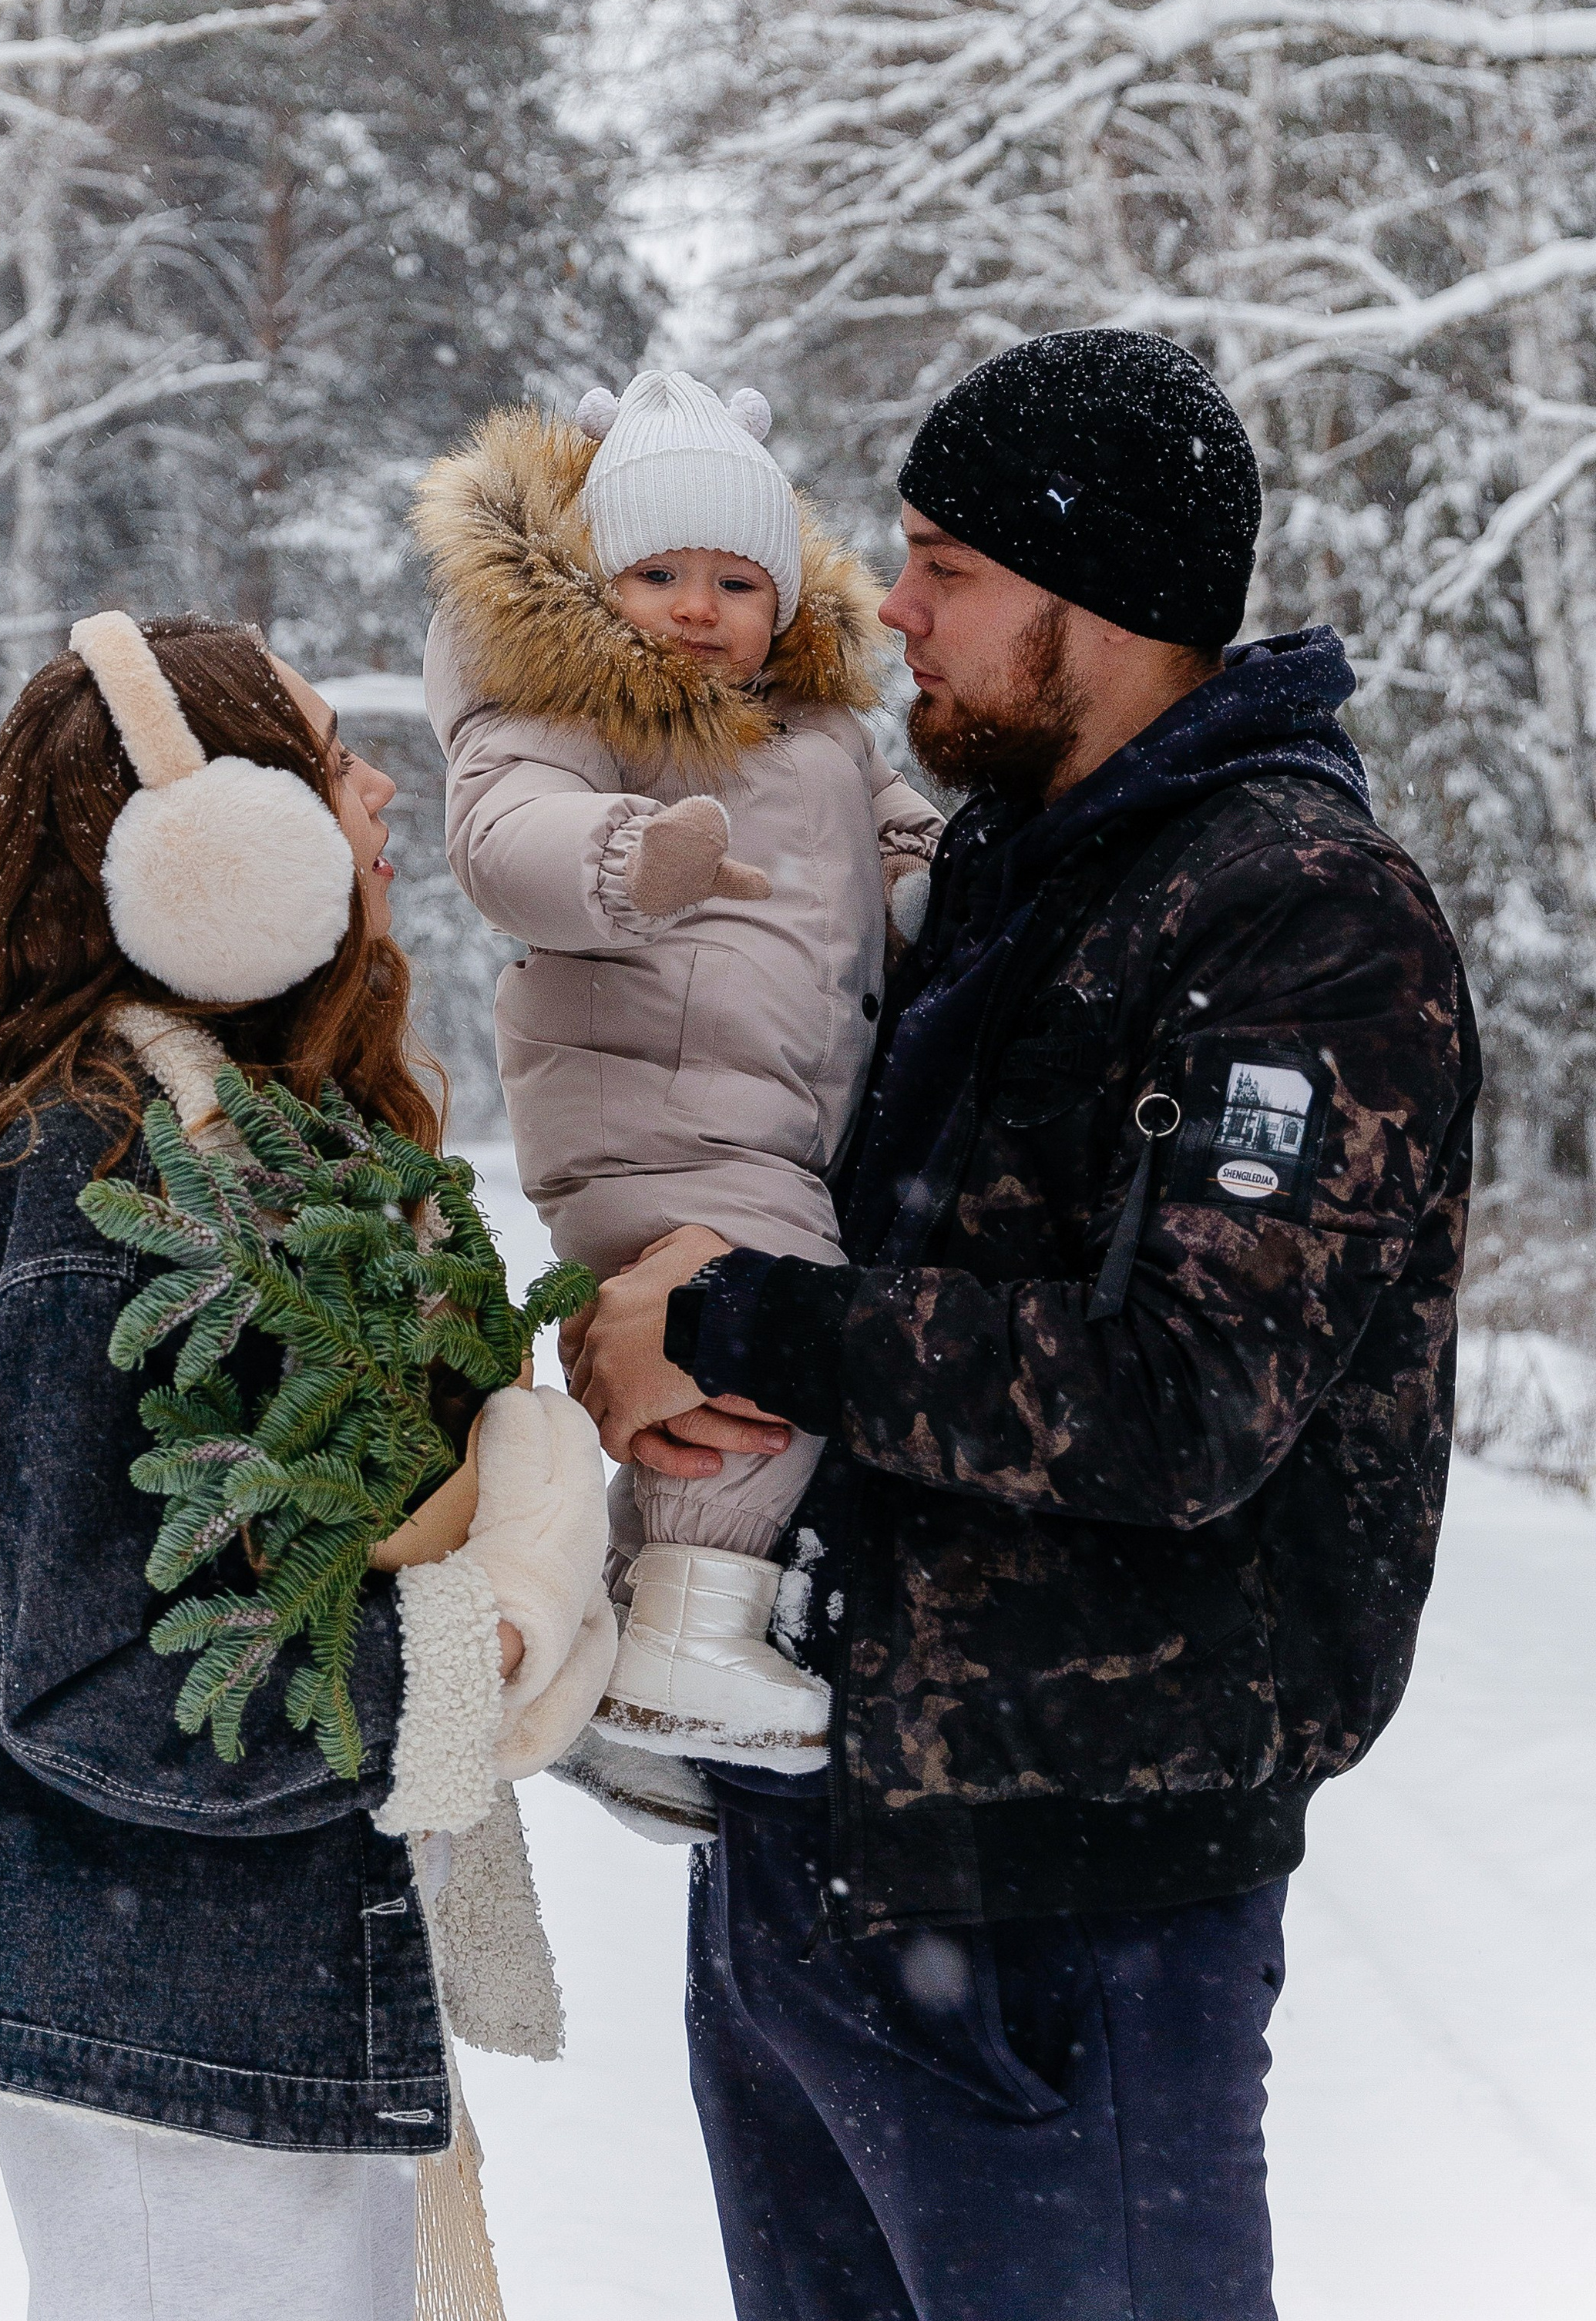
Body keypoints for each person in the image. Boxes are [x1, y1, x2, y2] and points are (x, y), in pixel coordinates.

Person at [566, 330, 1480, 2321]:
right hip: (808, 1867)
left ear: (1106, 604)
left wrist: (737, 1323)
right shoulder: (989, 873)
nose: (886, 606)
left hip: (1074, 1924)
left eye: (942, 567)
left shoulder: (1305, 919)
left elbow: (1179, 1395)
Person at [0, 611, 613, 2321]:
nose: (382, 783)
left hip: (236, 2000)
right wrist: (462, 1660)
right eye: (326, 760)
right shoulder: (99, 1190)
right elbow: (87, 1667)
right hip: (169, 2040)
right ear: (210, 860)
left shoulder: (246, 1152)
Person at [416, 374, 939, 1799]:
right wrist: (626, 861)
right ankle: (692, 1638)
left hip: (761, 1123)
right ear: (598, 582)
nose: (699, 609)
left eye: (734, 579)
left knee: (715, 1367)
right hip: (659, 1117)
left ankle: (647, 1670)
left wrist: (927, 876)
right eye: (657, 574)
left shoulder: (823, 729)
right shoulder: (582, 705)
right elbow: (503, 830)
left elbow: (888, 829)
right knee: (766, 1342)